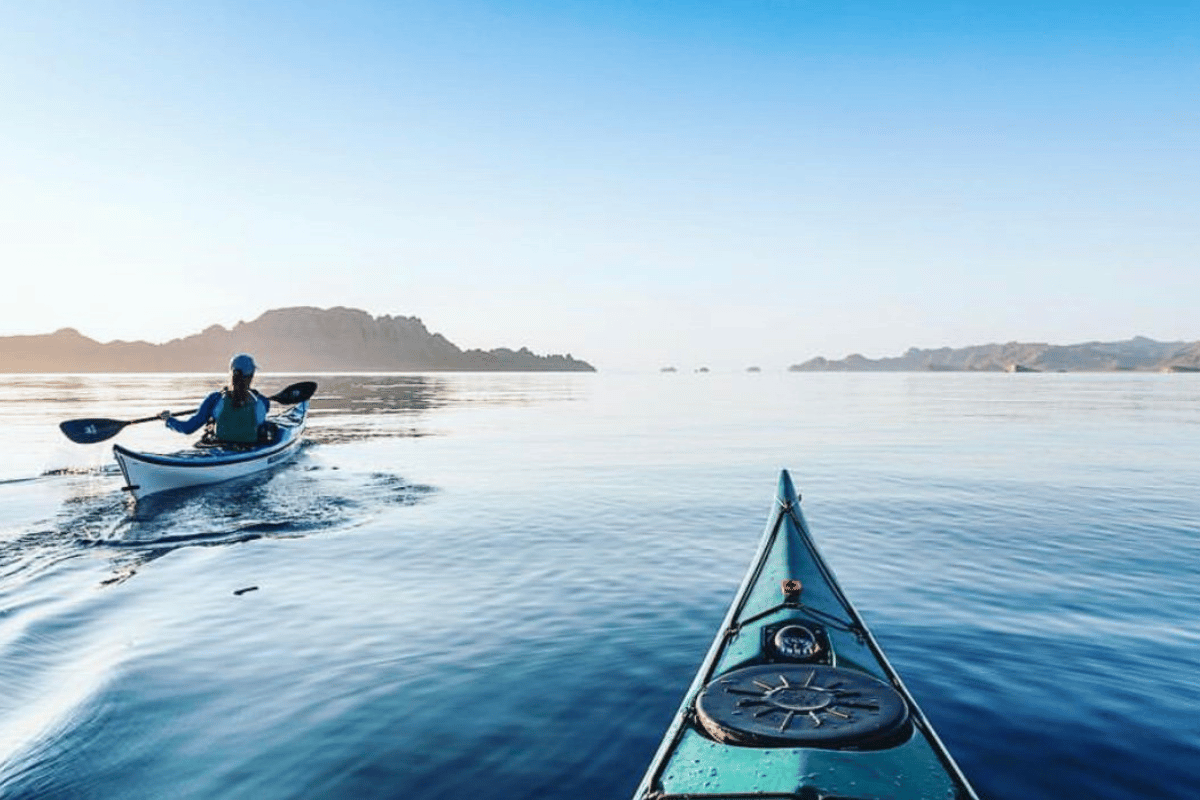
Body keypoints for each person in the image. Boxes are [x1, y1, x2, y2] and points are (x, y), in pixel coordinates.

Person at [160, 353, 271, 444]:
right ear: (252, 375)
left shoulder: (214, 399)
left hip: (220, 447)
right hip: (249, 449)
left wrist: (169, 420)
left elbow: (188, 428)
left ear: (231, 372)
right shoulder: (262, 402)